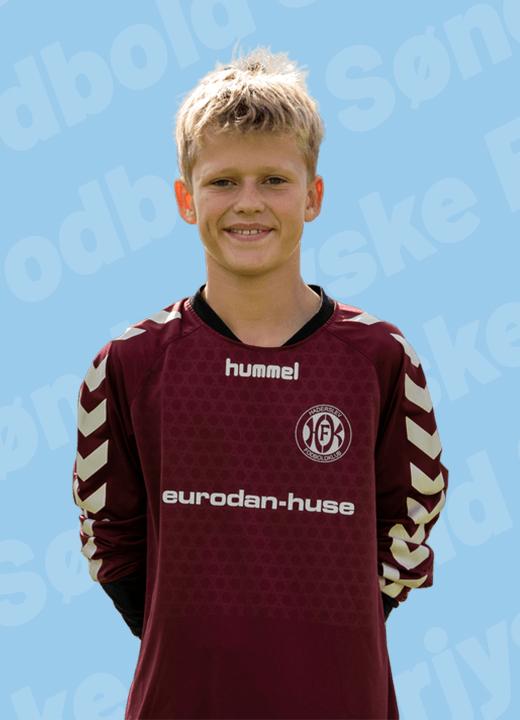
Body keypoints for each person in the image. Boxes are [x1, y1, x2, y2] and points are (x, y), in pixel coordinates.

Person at [72, 44, 449, 720]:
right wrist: (194, 636)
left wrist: (330, 632)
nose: (248, 203)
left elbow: (411, 518)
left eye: (274, 180)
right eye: (223, 181)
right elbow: (109, 537)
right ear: (186, 200)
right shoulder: (130, 365)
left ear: (314, 197)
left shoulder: (379, 358)